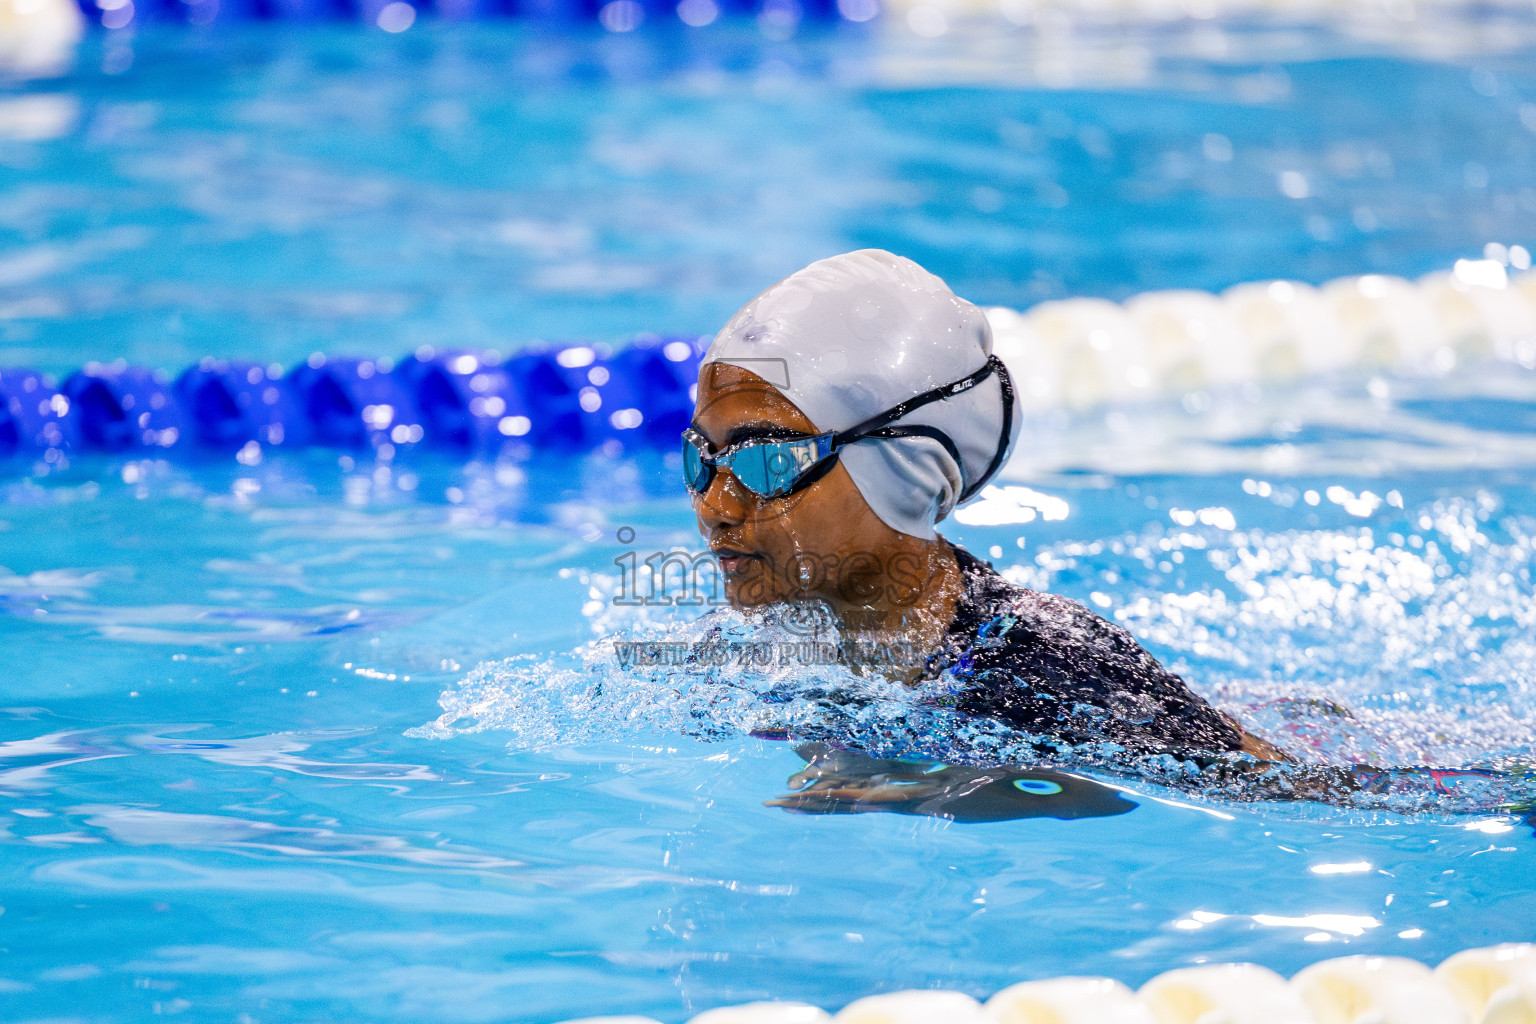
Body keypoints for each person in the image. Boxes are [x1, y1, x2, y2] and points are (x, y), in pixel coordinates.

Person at [682, 249, 1287, 782]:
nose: (715, 506)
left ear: (906, 463)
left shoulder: (1046, 667)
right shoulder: (745, 645)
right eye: (701, 458)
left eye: (768, 462)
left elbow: (1277, 784)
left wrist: (946, 793)